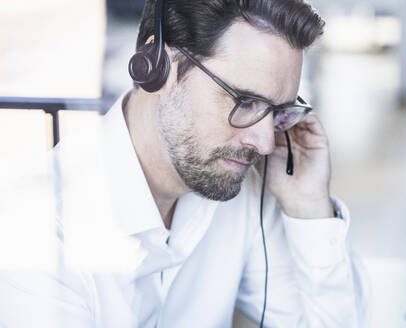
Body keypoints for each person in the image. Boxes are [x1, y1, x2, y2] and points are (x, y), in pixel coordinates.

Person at [0, 0, 368, 327]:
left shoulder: (241, 183)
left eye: (277, 112)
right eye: (244, 101)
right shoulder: (37, 234)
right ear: (158, 67)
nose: (265, 141)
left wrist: (308, 208)